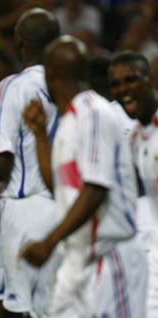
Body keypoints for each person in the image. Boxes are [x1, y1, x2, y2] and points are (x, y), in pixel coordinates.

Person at [21, 36, 147, 317]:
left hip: (109, 255)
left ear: (50, 74)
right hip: (78, 259)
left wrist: (48, 242)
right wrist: (40, 134)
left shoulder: (93, 112)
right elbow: (58, 187)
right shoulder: (69, 122)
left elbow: (95, 188)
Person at [0, 8, 61, 318]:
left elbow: (3, 165)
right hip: (64, 210)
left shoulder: (13, 85)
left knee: (3, 305)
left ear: (19, 42)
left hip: (22, 211)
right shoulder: (70, 88)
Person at [108, 51, 158, 318]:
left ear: (150, 79)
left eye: (131, 80)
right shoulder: (137, 136)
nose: (123, 89)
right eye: (116, 84)